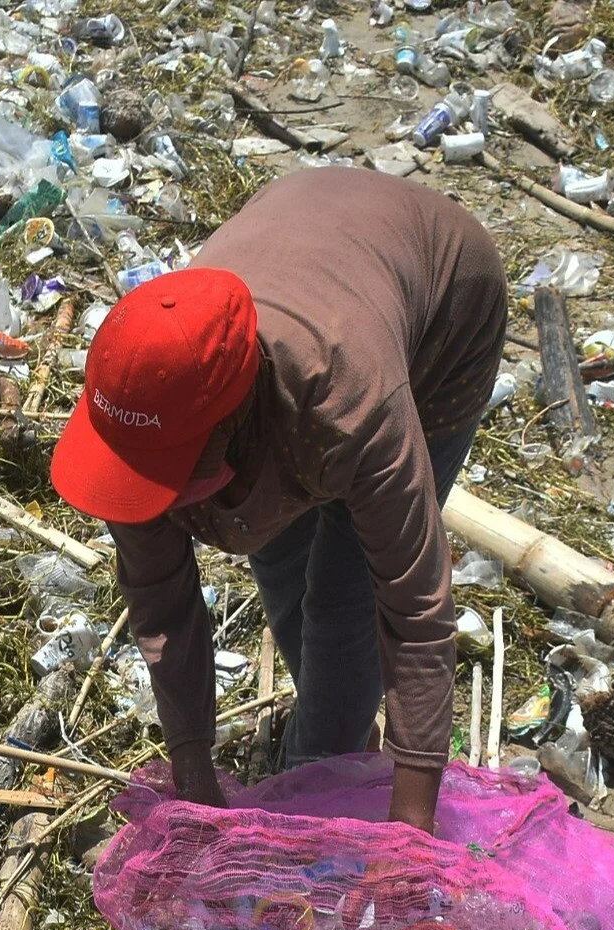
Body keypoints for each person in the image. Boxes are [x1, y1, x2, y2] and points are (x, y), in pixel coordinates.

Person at [49, 168, 506, 832]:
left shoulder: (349, 406)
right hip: (305, 229)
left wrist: (408, 832)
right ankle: (337, 748)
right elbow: (162, 605)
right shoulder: (135, 401)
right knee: (277, 550)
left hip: (445, 309)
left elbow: (410, 613)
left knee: (347, 589)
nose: (159, 495)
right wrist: (192, 768)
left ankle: (323, 769)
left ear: (235, 420)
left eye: (175, 469)